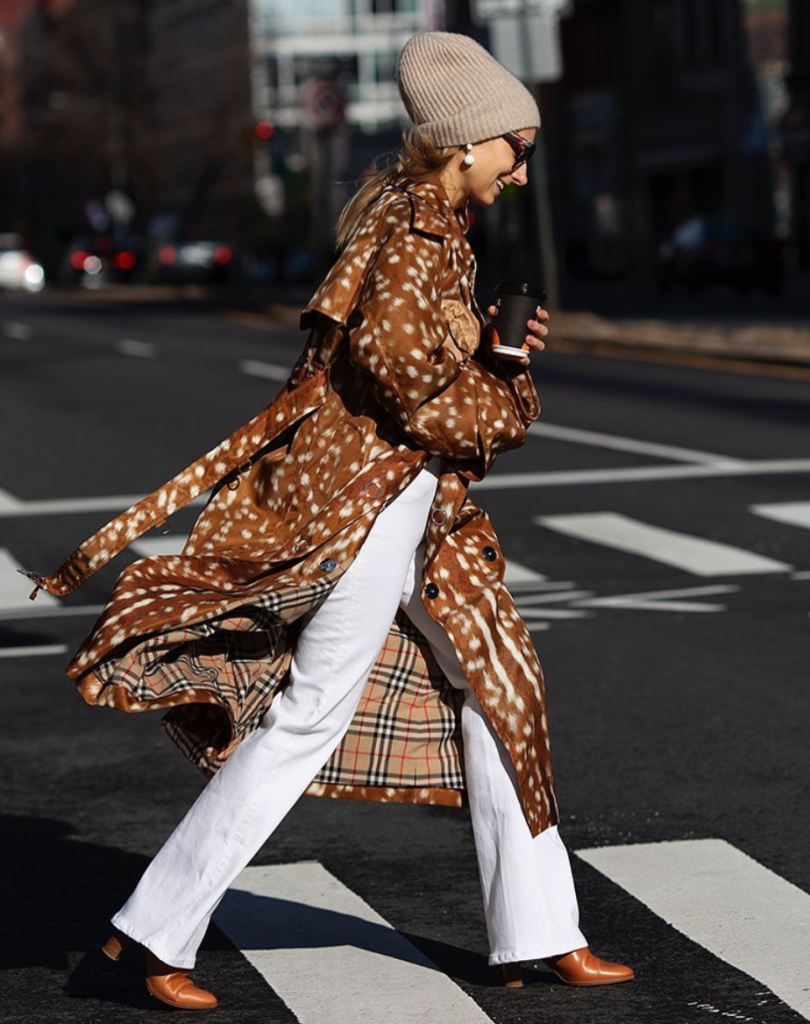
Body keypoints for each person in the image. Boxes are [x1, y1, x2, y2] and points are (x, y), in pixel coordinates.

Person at [28, 32, 633, 1010]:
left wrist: (497, 360)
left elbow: (430, 378)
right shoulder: (410, 239)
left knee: (500, 692)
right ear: (464, 143)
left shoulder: (434, 236)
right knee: (310, 715)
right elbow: (409, 389)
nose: (521, 170)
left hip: (418, 510)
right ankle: (149, 935)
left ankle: (539, 931)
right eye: (514, 149)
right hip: (370, 507)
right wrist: (501, 380)